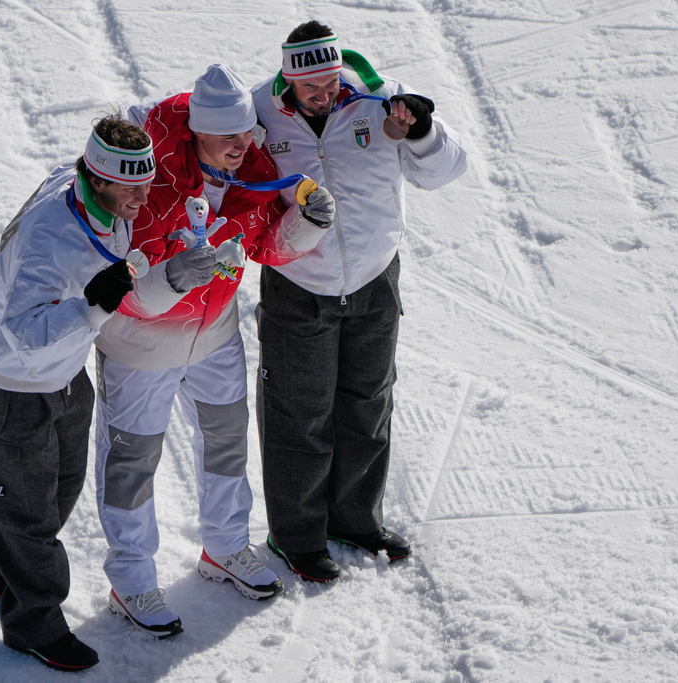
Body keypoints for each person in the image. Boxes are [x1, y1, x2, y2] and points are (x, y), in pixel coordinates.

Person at [93, 64, 335, 636]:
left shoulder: (252, 168)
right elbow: (120, 287)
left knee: (226, 445)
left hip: (215, 334)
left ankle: (224, 548)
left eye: (247, 132)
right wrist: (172, 278)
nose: (242, 144)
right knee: (130, 465)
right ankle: (130, 583)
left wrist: (308, 224)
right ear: (198, 130)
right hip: (139, 345)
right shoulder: (146, 182)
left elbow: (268, 246)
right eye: (228, 135)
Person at [251, 22, 468, 582]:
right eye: (310, 88)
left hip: (374, 278)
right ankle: (295, 536)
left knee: (368, 402)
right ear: (288, 80)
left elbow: (445, 171)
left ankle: (356, 518)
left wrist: (421, 132)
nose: (324, 94)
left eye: (330, 81)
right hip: (299, 283)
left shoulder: (381, 102)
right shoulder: (260, 110)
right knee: (299, 413)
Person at [0, 115, 156, 671]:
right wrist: (93, 303)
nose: (143, 196)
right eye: (131, 187)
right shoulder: (50, 235)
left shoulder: (88, 182)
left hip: (64, 367)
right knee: (26, 508)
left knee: (61, 484)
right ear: (100, 178)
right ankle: (33, 622)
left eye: (147, 180)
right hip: (9, 376)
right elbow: (23, 332)